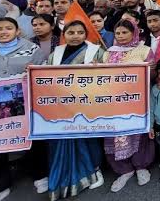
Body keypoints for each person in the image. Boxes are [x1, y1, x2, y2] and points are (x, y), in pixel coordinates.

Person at [0, 17, 41, 201]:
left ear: (17, 31)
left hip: (26, 102)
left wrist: (31, 71)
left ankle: (39, 174)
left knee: (32, 139)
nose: (3, 32)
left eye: (8, 28)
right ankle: (0, 186)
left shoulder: (31, 48)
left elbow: (41, 70)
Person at [46, 21, 105, 199]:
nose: (75, 36)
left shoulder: (97, 51)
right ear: (65, 34)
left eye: (80, 32)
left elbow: (109, 76)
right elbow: (45, 76)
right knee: (62, 138)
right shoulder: (56, 53)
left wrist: (99, 69)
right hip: (61, 104)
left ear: (86, 34)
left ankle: (95, 169)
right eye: (71, 32)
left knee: (89, 137)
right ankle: (64, 176)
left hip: (88, 102)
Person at [101, 20, 155, 192]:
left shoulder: (145, 51)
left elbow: (152, 77)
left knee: (138, 133)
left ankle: (141, 166)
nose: (121, 36)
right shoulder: (108, 53)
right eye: (118, 33)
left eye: (125, 32)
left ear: (134, 33)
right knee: (114, 135)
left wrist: (149, 69)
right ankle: (123, 170)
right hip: (113, 103)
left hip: (137, 102)